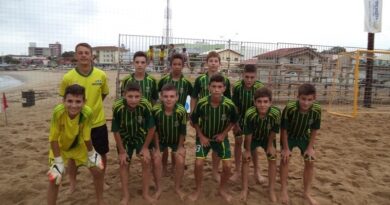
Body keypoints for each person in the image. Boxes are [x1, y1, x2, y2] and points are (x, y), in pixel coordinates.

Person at [59, 43, 109, 193]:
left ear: (92, 56)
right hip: (76, 124)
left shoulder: (101, 75)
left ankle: (101, 180)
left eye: (86, 53)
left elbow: (104, 94)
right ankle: (73, 184)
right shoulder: (68, 77)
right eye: (80, 53)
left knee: (101, 154)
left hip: (97, 123)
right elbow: (65, 99)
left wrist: (92, 108)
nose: (83, 55)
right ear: (76, 56)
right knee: (72, 157)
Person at [47, 84, 105, 205]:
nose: (73, 105)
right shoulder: (58, 112)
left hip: (79, 146)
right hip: (60, 148)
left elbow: (86, 137)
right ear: (63, 101)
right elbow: (53, 139)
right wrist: (58, 161)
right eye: (70, 101)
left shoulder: (87, 112)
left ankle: (101, 201)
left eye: (78, 101)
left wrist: (92, 153)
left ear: (84, 102)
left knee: (98, 171)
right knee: (55, 178)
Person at [188, 74, 238, 203]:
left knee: (227, 166)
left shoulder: (229, 104)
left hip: (220, 139)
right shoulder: (202, 103)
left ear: (224, 88)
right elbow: (194, 121)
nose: (216, 89)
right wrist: (201, 135)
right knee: (198, 163)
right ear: (209, 87)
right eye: (214, 86)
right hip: (203, 138)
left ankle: (222, 190)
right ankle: (198, 190)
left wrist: (223, 134)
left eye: (219, 87)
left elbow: (233, 121)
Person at [112, 82, 158, 205]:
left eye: (137, 96)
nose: (133, 100)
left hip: (140, 136)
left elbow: (152, 128)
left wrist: (145, 148)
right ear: (124, 95)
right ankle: (126, 196)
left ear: (141, 96)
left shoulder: (145, 105)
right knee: (124, 163)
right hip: (125, 137)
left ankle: (145, 193)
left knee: (145, 160)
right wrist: (121, 151)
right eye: (130, 96)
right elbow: (115, 130)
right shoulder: (117, 106)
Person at [190, 51, 231, 182]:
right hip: (203, 116)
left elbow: (228, 100)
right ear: (206, 63)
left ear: (219, 63)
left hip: (220, 116)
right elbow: (194, 97)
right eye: (211, 61)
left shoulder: (225, 81)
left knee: (217, 144)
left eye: (216, 61)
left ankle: (214, 170)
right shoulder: (200, 80)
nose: (213, 63)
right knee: (202, 140)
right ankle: (199, 165)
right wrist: (191, 113)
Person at [280, 83, 321, 205]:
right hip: (289, 136)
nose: (306, 103)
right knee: (285, 159)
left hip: (304, 136)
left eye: (309, 100)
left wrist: (310, 148)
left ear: (314, 99)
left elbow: (314, 129)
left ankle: (307, 193)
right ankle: (283, 190)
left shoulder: (317, 109)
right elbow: (284, 130)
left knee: (310, 160)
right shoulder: (290, 108)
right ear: (298, 97)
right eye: (303, 99)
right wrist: (286, 148)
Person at [240, 87, 281, 202]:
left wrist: (270, 146)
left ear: (270, 102)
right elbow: (248, 135)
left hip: (268, 137)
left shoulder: (276, 113)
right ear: (254, 102)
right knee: (246, 159)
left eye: (265, 102)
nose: (262, 105)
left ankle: (271, 189)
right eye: (259, 102)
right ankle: (244, 188)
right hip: (253, 138)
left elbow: (274, 130)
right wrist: (247, 150)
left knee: (272, 158)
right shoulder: (250, 114)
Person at [158, 53, 193, 175]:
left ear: (183, 66)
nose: (177, 66)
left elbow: (192, 98)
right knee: (164, 142)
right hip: (164, 115)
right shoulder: (163, 80)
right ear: (171, 65)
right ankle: (163, 166)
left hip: (179, 117)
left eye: (179, 64)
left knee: (177, 142)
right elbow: (157, 96)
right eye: (174, 64)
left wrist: (189, 112)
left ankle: (173, 166)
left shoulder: (186, 83)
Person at [152, 84, 187, 200]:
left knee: (180, 160)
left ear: (177, 97)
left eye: (172, 96)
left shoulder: (181, 110)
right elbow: (154, 131)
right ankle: (158, 188)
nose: (169, 99)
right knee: (156, 160)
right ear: (161, 97)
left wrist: (180, 147)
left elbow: (183, 131)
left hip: (176, 140)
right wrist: (157, 148)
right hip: (161, 140)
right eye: (166, 96)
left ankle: (177, 188)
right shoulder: (155, 110)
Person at [230, 65, 264, 182]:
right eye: (247, 77)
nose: (249, 80)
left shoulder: (259, 87)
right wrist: (235, 124)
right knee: (238, 142)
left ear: (256, 77)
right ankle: (237, 171)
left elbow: (262, 108)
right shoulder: (238, 87)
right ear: (243, 75)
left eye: (252, 77)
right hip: (239, 120)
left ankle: (256, 171)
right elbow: (234, 107)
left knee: (252, 146)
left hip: (254, 121)